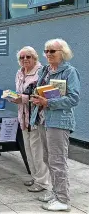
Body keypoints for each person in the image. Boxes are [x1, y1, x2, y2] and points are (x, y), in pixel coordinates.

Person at [30, 38, 80, 212]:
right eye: (46, 51)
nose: (48, 54)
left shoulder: (69, 72)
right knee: (47, 159)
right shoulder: (45, 70)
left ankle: (63, 199)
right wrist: (37, 97)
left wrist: (49, 102)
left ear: (63, 53)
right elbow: (39, 90)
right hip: (43, 119)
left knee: (57, 160)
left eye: (52, 51)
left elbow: (74, 99)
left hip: (58, 122)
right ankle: (55, 192)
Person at [10, 46, 49, 192]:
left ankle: (42, 182)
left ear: (35, 58)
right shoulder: (19, 73)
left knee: (37, 151)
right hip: (23, 117)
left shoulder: (41, 73)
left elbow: (41, 95)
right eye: (22, 57)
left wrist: (23, 99)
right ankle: (35, 177)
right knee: (29, 150)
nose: (25, 59)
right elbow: (20, 93)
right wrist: (13, 97)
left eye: (28, 57)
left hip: (36, 118)